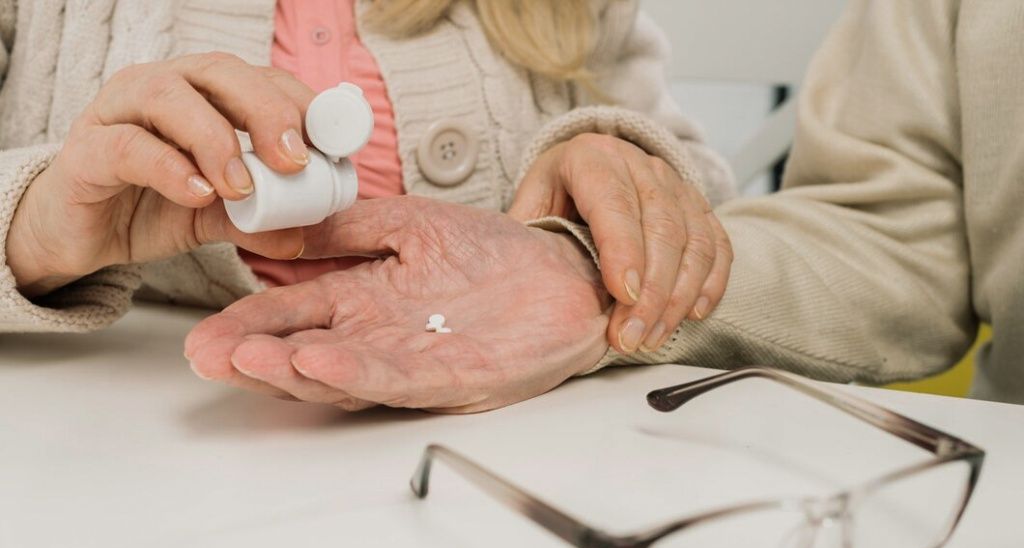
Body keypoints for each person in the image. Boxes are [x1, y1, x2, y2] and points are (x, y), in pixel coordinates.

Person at [185, 0, 1024, 409]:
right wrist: (581, 264)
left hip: (540, 432)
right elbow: (891, 231)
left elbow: (693, 198)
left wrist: (614, 173)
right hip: (179, 422)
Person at [0, 0, 734, 395]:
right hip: (128, 422)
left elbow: (706, 201)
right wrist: (34, 228)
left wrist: (611, 166)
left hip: (522, 423)